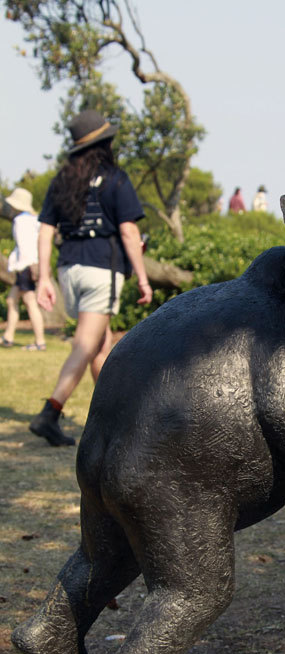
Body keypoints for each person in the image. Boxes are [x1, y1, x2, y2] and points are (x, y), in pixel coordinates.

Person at [29, 109, 153, 447]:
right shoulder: (115, 179)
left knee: (101, 346)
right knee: (85, 344)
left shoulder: (63, 179)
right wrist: (142, 277)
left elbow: (45, 231)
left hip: (69, 269)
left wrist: (43, 278)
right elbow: (129, 232)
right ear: (105, 144)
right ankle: (50, 412)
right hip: (102, 270)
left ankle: (116, 421)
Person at [2, 188, 46, 351]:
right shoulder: (35, 220)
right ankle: (8, 336)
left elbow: (24, 247)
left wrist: (18, 267)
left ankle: (40, 341)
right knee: (12, 299)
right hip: (32, 265)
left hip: (25, 267)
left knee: (30, 302)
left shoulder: (20, 221)